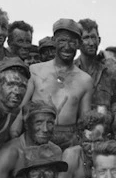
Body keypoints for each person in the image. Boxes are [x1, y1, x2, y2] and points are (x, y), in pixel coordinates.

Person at [21, 18, 93, 150]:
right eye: (62, 40)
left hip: (69, 138)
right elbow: (21, 109)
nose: (67, 46)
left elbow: (84, 121)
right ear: (54, 41)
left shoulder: (85, 80)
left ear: (79, 44)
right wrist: (16, 134)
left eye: (72, 41)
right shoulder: (35, 70)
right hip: (36, 133)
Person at [0, 100, 58, 178]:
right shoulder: (11, 153)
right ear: (27, 125)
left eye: (50, 123)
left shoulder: (55, 151)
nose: (45, 129)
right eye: (39, 122)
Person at [57, 112, 110, 178]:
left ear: (107, 139)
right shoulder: (71, 156)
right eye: (87, 142)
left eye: (97, 142)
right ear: (79, 139)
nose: (92, 148)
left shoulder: (113, 157)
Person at [76, 18, 116, 113]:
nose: (91, 43)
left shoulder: (109, 72)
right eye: (86, 38)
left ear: (99, 40)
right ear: (78, 42)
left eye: (93, 37)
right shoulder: (70, 70)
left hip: (104, 125)